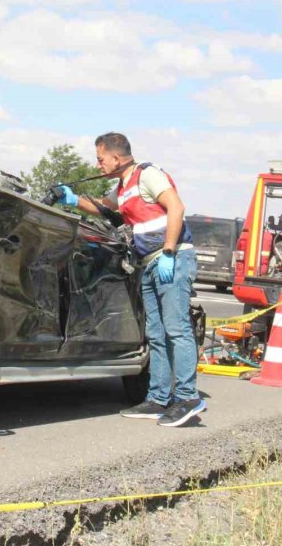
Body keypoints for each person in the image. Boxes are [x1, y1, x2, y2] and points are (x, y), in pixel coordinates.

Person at [54, 132, 205, 427]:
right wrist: (72, 199)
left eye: (100, 159)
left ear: (116, 158)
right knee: (156, 335)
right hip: (148, 263)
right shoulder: (124, 186)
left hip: (171, 259)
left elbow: (177, 207)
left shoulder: (148, 175)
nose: (98, 165)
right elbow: (105, 207)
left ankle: (188, 398)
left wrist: (170, 252)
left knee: (177, 330)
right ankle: (158, 399)